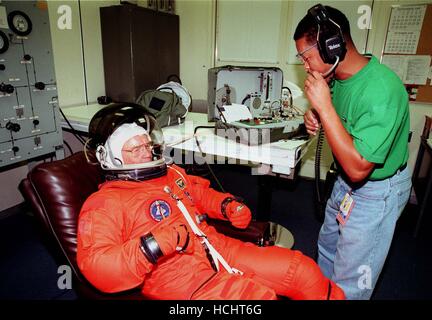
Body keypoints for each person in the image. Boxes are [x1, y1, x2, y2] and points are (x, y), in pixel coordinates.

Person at [76, 102, 345, 300]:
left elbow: (198, 192)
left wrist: (225, 205)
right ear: (108, 156)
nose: (147, 153)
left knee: (303, 271)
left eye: (148, 145)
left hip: (215, 245)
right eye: (136, 149)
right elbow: (99, 267)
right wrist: (151, 246)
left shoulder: (171, 174)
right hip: (173, 277)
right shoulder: (103, 204)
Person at [294, 4, 412, 299]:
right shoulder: (339, 78)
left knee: (352, 280)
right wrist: (317, 113)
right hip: (345, 183)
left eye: (306, 57)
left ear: (331, 45)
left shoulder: (382, 89)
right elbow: (341, 116)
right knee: (328, 249)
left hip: (375, 189)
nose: (305, 67)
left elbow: (360, 167)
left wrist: (324, 107)